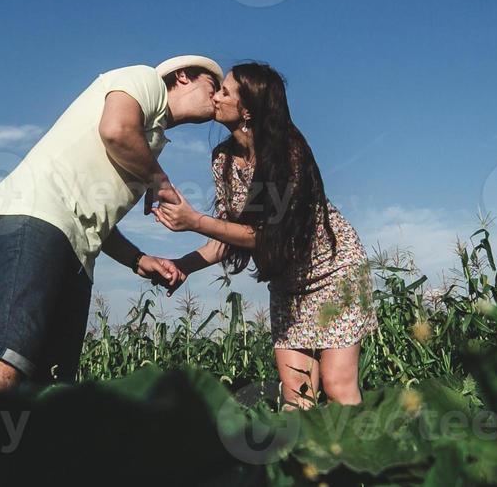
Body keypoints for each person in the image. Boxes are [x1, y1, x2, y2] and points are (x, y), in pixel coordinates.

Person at [0, 55, 224, 391]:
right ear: (183, 76)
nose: (218, 97)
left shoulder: (150, 143)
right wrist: (162, 183)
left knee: (50, 382)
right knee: (4, 358)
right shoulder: (145, 80)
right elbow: (115, 129)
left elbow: (95, 217)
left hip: (75, 246)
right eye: (213, 86)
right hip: (38, 214)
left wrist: (137, 259)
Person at [153, 62, 376, 408]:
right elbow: (228, 235)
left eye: (225, 91)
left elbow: (265, 237)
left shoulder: (289, 154)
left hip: (334, 271)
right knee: (296, 395)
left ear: (247, 111)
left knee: (336, 386)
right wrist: (182, 266)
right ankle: (302, 463)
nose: (215, 96)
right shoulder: (222, 160)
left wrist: (194, 220)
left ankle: (363, 460)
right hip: (288, 285)